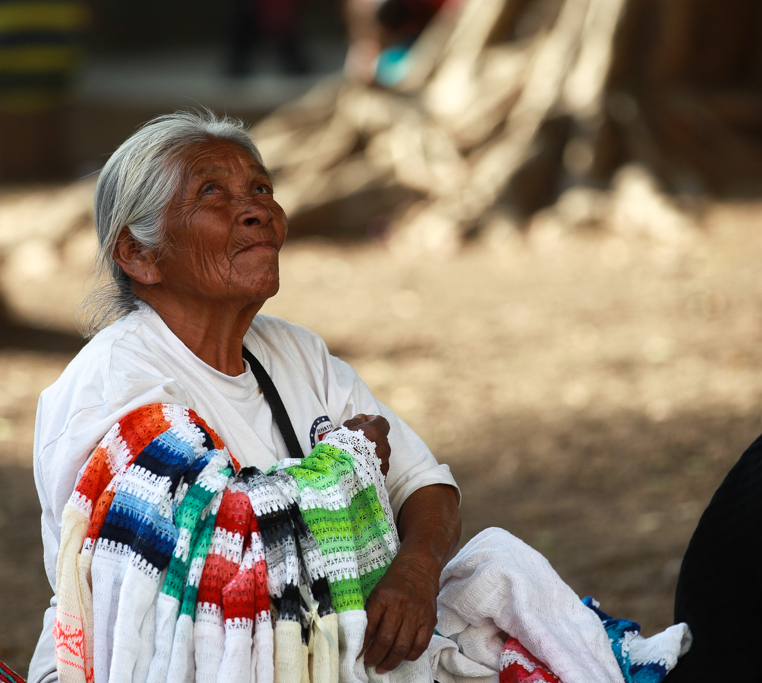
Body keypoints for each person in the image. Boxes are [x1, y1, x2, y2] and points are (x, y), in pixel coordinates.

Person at [26, 109, 462, 683]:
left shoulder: (295, 352)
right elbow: (207, 561)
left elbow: (422, 482)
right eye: (212, 192)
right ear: (140, 255)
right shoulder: (115, 383)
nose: (260, 211)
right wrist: (345, 467)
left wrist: (416, 571)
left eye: (261, 189)